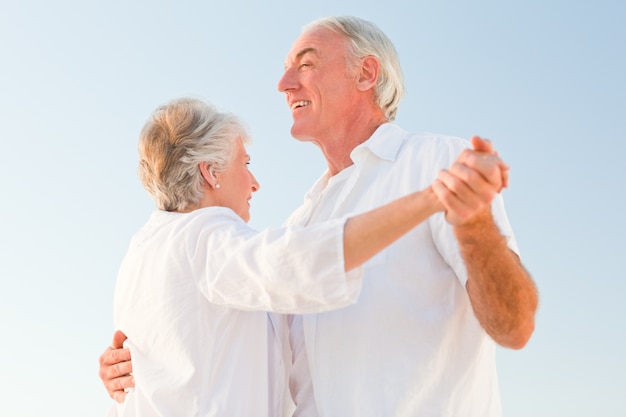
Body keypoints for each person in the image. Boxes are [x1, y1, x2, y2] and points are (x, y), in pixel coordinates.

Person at [100, 15, 538, 416]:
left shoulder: (438, 162)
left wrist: (473, 222)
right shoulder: (299, 224)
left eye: (306, 65)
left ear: (366, 73)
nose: (284, 83)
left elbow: (515, 327)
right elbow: (246, 357)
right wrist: (140, 362)